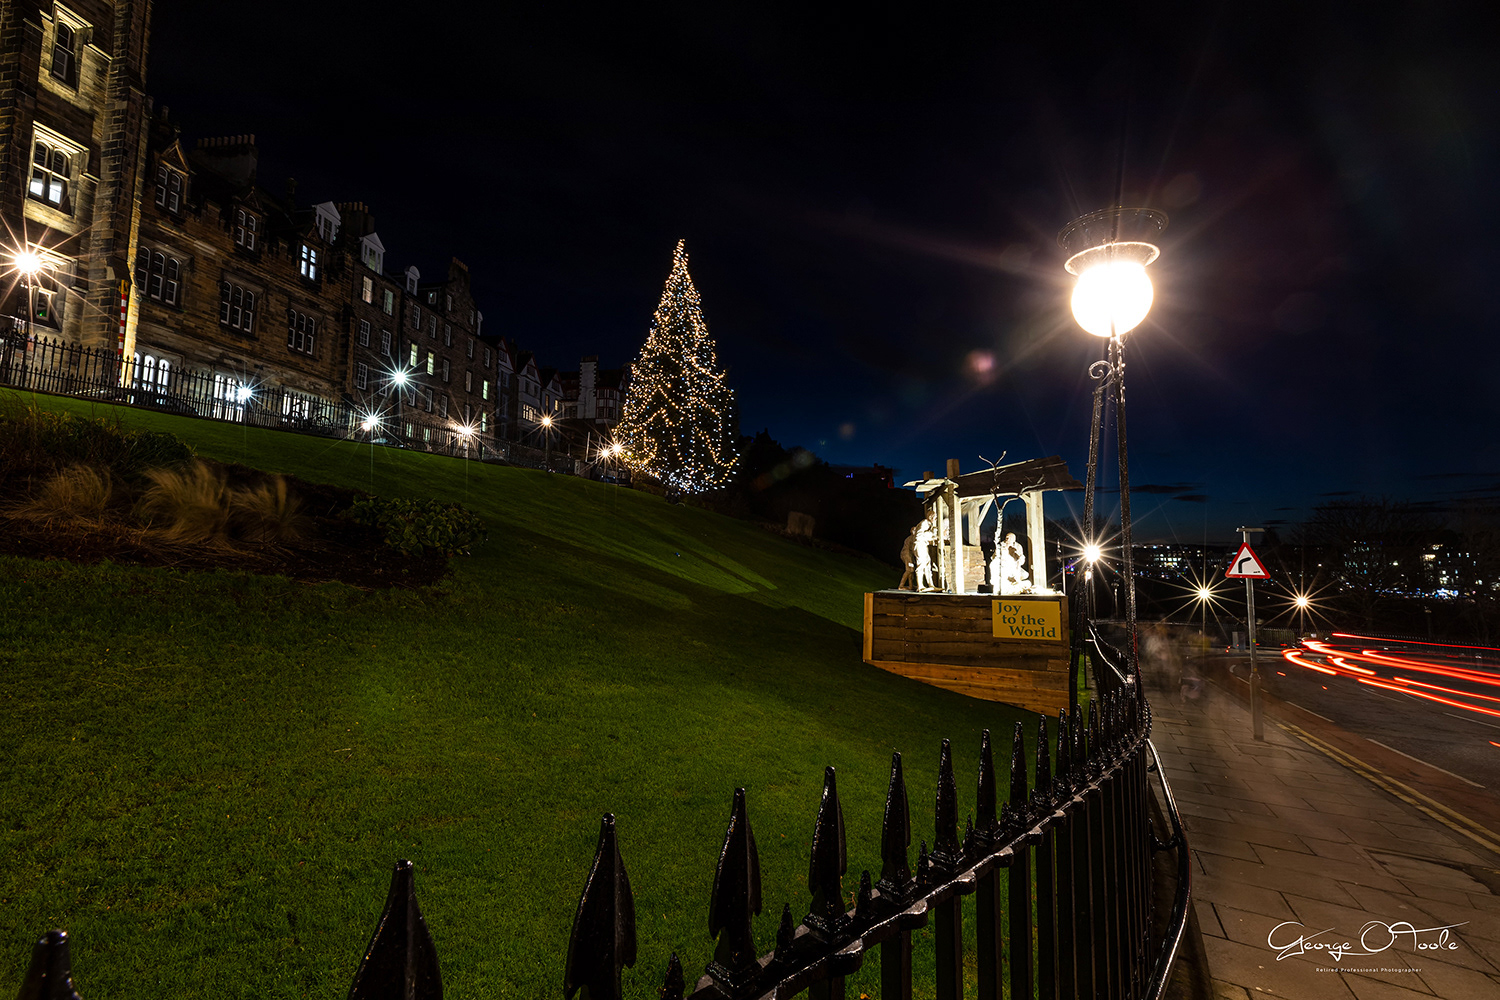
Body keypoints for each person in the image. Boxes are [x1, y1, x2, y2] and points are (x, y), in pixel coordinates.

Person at [914, 518, 936, 591]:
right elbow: (919, 535)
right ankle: (920, 586)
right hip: (920, 544)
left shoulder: (928, 524)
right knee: (921, 564)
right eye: (935, 518)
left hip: (923, 545)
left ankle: (931, 584)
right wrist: (931, 536)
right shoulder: (925, 523)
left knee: (927, 564)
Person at [898, 525, 918, 590]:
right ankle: (901, 586)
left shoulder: (910, 538)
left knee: (911, 570)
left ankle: (911, 585)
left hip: (909, 555)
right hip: (907, 555)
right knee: (909, 570)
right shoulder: (912, 538)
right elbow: (913, 548)